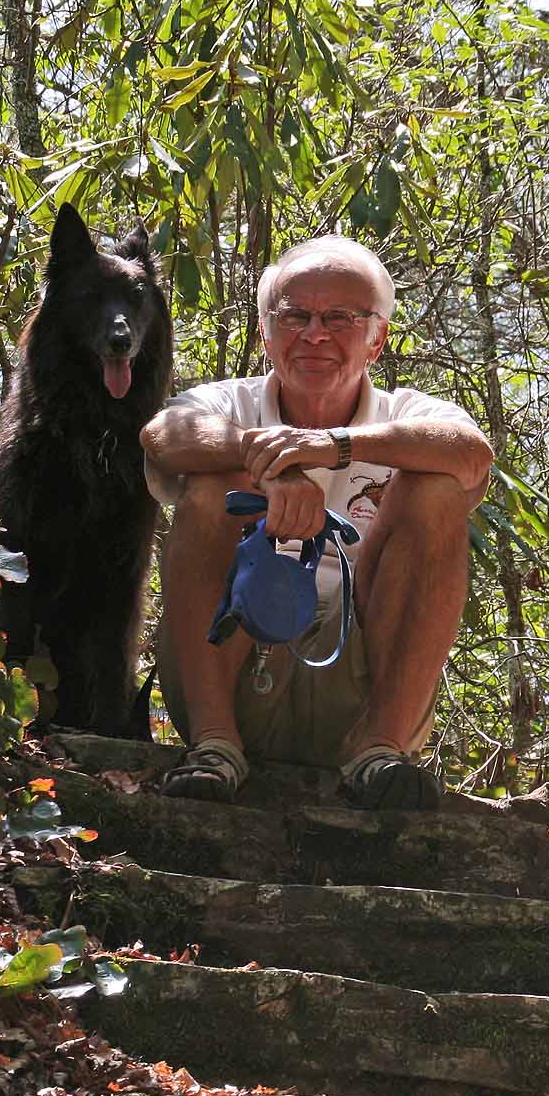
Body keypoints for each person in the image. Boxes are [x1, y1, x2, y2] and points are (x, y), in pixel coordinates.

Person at [139, 236, 492, 808]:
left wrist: (333, 446)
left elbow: (471, 453)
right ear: (266, 333)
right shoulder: (229, 403)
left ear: (377, 340)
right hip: (238, 669)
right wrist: (267, 464)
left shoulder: (405, 414)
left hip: (360, 687)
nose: (314, 334)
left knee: (436, 491)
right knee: (212, 488)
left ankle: (380, 752)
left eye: (340, 318)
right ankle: (214, 746)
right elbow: (162, 436)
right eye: (294, 315)